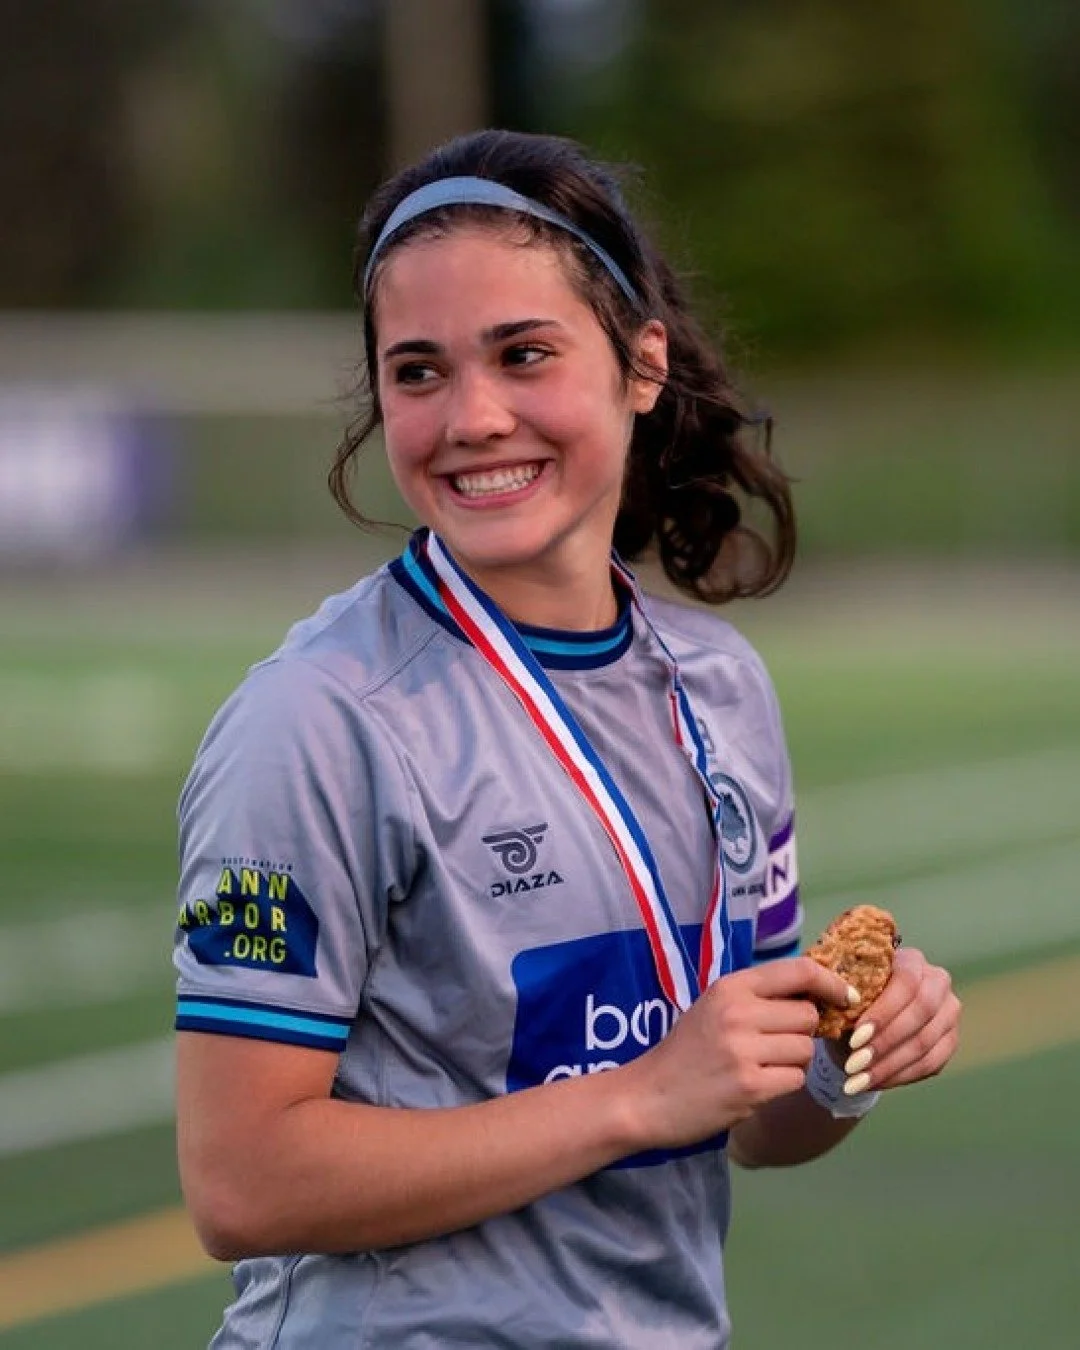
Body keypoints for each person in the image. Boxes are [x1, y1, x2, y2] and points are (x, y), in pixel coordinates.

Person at [174, 128, 961, 1348]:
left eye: (523, 354)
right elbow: (241, 1183)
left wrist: (840, 1058)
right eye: (418, 371)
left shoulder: (722, 691)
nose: (473, 416)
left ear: (641, 364)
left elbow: (746, 1123)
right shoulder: (316, 722)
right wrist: (638, 1096)